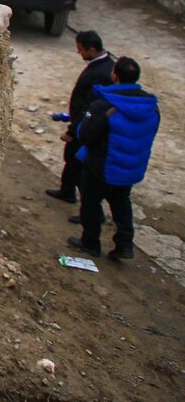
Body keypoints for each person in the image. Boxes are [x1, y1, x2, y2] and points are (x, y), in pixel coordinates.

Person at [69, 57, 159, 260]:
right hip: (130, 167)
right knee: (121, 202)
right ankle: (124, 245)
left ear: (115, 75)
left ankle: (90, 242)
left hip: (102, 166)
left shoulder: (104, 105)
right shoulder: (151, 106)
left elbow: (86, 135)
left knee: (91, 203)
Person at [46, 30, 115, 205]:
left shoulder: (100, 73)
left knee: (77, 164)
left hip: (84, 128)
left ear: (92, 49)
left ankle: (88, 207)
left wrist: (72, 130)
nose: (80, 53)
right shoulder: (104, 66)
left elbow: (89, 107)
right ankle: (67, 191)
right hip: (82, 124)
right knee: (72, 160)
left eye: (81, 50)